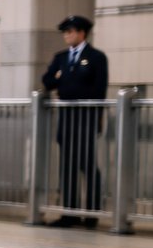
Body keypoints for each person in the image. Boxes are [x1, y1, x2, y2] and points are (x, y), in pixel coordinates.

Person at [41, 15, 109, 228]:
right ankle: (69, 213)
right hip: (67, 119)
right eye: (65, 32)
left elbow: (97, 89)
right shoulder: (61, 57)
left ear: (82, 33)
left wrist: (66, 81)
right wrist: (61, 79)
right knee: (67, 166)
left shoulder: (96, 57)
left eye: (71, 31)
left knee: (87, 165)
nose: (67, 35)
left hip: (86, 118)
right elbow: (48, 81)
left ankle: (91, 213)